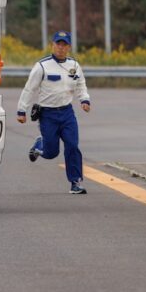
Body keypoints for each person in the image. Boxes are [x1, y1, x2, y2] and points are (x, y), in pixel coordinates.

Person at [16, 30, 91, 194]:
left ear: (69, 47)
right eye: (58, 44)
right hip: (48, 115)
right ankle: (39, 145)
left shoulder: (74, 66)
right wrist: (22, 110)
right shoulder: (42, 66)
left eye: (64, 45)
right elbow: (29, 89)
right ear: (53, 45)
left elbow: (81, 85)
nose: (61, 48)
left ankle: (75, 182)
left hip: (67, 113)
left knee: (72, 146)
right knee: (51, 153)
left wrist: (84, 99)